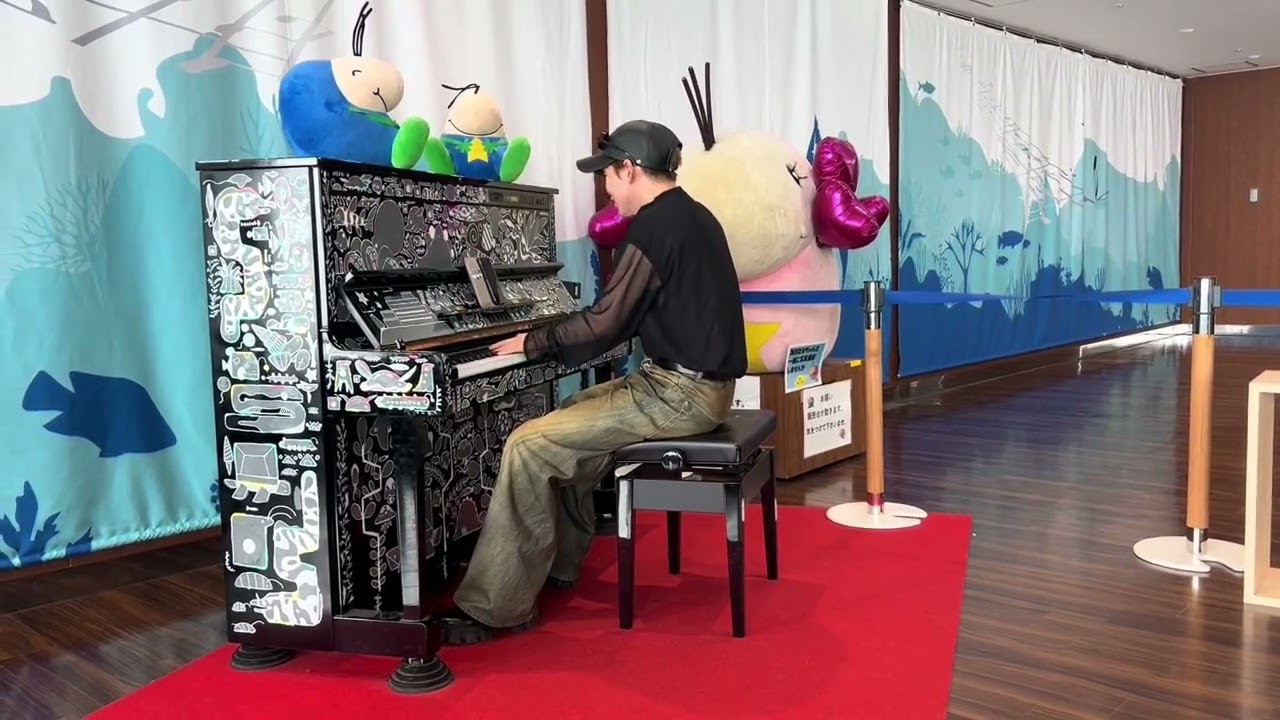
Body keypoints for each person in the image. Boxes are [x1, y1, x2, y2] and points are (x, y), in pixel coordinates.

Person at [440, 119, 749, 645]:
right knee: (568, 416)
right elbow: (620, 320)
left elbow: (607, 324)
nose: (605, 188)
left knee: (528, 444)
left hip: (681, 394)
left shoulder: (656, 227)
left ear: (629, 169)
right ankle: (561, 563)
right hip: (693, 386)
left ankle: (498, 607)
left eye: (607, 174)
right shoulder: (693, 215)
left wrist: (532, 341)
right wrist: (552, 336)